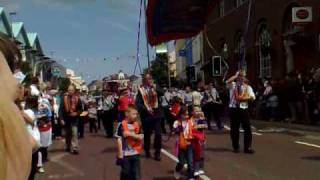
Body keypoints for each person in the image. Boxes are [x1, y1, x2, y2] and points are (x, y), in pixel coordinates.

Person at [226, 71, 256, 154]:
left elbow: (253, 97)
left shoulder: (247, 87)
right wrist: (235, 75)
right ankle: (235, 147)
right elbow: (228, 81)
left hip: (243, 108)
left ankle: (248, 147)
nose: (241, 78)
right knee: (234, 129)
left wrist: (245, 98)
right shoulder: (233, 85)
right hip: (234, 108)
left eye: (243, 76)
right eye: (240, 76)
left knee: (247, 128)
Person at [136, 73, 163, 161]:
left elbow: (162, 93)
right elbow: (138, 103)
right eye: (147, 79)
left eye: (150, 78)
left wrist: (154, 87)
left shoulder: (155, 86)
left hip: (156, 114)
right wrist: (145, 109)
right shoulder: (141, 90)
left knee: (158, 134)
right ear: (144, 81)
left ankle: (157, 152)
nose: (149, 80)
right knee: (147, 134)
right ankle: (147, 150)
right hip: (146, 115)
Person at [115, 105, 143, 180]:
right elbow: (119, 138)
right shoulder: (121, 124)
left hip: (135, 153)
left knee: (136, 174)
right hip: (125, 154)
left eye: (136, 114)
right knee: (125, 173)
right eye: (134, 114)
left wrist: (130, 134)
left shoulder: (137, 124)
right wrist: (120, 153)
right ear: (127, 114)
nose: (136, 116)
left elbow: (141, 136)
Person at [173, 106, 194, 180]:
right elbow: (174, 130)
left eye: (187, 114)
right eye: (185, 114)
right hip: (181, 145)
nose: (186, 116)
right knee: (181, 162)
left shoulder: (191, 121)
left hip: (189, 145)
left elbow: (195, 130)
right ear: (181, 114)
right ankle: (177, 170)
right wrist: (178, 128)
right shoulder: (177, 122)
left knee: (190, 162)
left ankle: (191, 177)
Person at [60, 84, 82, 154]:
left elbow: (80, 109)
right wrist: (61, 119)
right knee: (68, 134)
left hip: (74, 119)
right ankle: (68, 146)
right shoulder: (64, 98)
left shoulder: (77, 98)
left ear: (74, 91)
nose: (70, 91)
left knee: (75, 133)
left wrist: (76, 113)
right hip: (66, 119)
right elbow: (61, 109)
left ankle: (75, 148)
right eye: (69, 90)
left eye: (72, 90)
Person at [37, 97, 53, 173]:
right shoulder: (41, 103)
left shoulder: (44, 103)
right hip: (40, 126)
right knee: (40, 145)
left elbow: (49, 114)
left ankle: (43, 158)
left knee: (43, 144)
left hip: (44, 125)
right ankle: (40, 162)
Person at [191, 106, 207, 177]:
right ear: (192, 112)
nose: (198, 113)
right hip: (194, 140)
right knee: (196, 155)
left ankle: (201, 168)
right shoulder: (191, 120)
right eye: (196, 111)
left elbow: (205, 126)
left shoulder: (201, 119)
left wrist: (202, 119)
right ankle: (196, 169)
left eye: (199, 111)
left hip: (201, 140)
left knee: (202, 155)